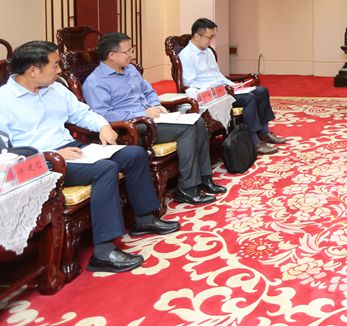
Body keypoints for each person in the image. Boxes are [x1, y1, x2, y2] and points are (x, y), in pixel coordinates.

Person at [0, 41, 180, 274]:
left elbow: (82, 113)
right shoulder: (5, 101)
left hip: (73, 150)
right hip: (44, 164)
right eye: (55, 65)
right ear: (33, 70)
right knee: (105, 169)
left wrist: (103, 126)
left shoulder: (55, 89)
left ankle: (144, 219)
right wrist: (48, 155)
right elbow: (6, 152)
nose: (59, 71)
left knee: (134, 154)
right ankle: (104, 252)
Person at [84, 32, 226, 206]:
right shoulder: (95, 82)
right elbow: (103, 114)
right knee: (187, 130)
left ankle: (204, 178)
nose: (132, 55)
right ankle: (187, 189)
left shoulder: (131, 70)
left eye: (132, 50)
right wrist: (142, 113)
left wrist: (156, 105)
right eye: (128, 51)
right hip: (133, 126)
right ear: (111, 55)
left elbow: (149, 91)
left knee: (198, 122)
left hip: (152, 117)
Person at [178, 18, 285, 156]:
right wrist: (217, 87)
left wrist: (232, 84)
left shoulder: (208, 51)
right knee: (248, 98)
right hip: (210, 95)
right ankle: (254, 142)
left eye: (213, 37)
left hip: (222, 89)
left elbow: (217, 75)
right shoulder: (186, 55)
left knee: (262, 91)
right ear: (197, 36)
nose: (212, 41)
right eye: (210, 37)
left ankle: (264, 133)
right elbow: (190, 83)